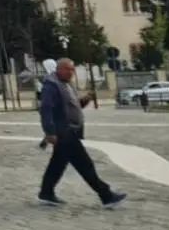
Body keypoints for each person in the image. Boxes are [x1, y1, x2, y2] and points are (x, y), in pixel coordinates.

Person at [38, 58, 127, 208]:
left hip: (71, 130)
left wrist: (84, 101)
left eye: (72, 69)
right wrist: (50, 132)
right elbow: (46, 110)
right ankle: (106, 195)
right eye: (68, 69)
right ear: (59, 69)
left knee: (57, 164)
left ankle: (46, 192)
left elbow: (72, 106)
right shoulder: (51, 86)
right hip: (64, 132)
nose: (71, 73)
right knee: (85, 165)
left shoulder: (67, 84)